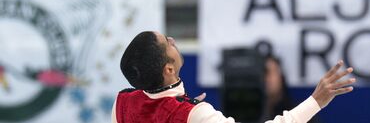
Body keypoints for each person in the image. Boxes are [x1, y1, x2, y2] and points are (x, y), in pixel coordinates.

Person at [113, 31, 355, 123]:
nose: (173, 40)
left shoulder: (122, 101)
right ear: (168, 69)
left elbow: (153, 110)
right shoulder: (193, 114)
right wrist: (316, 101)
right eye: (167, 42)